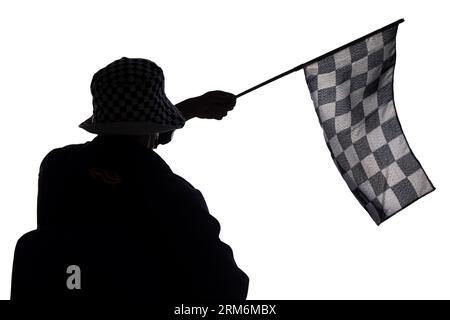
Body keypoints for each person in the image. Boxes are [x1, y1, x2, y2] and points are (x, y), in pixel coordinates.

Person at [35, 57, 249, 301]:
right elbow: (227, 289)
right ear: (155, 124)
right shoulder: (173, 195)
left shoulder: (57, 166)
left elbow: (123, 151)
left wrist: (188, 109)